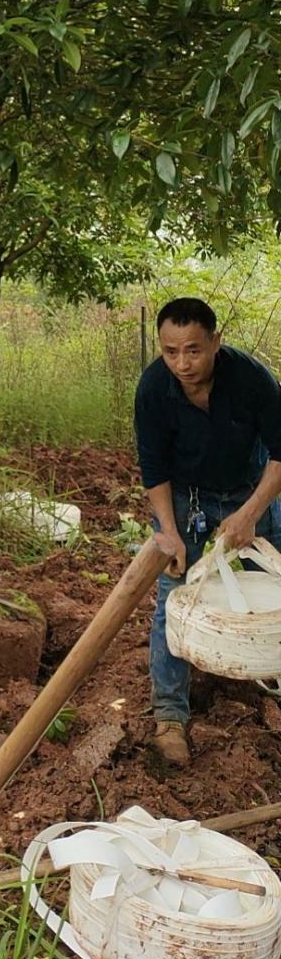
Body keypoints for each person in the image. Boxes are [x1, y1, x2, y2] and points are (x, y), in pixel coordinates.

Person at [135, 296, 281, 768]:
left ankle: (272, 678)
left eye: (194, 350)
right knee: (175, 594)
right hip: (186, 495)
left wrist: (251, 512)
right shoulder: (155, 388)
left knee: (276, 584)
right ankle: (171, 716)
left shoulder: (253, 380)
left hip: (250, 486)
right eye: (171, 351)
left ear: (216, 342)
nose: (182, 363)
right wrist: (171, 534)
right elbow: (153, 468)